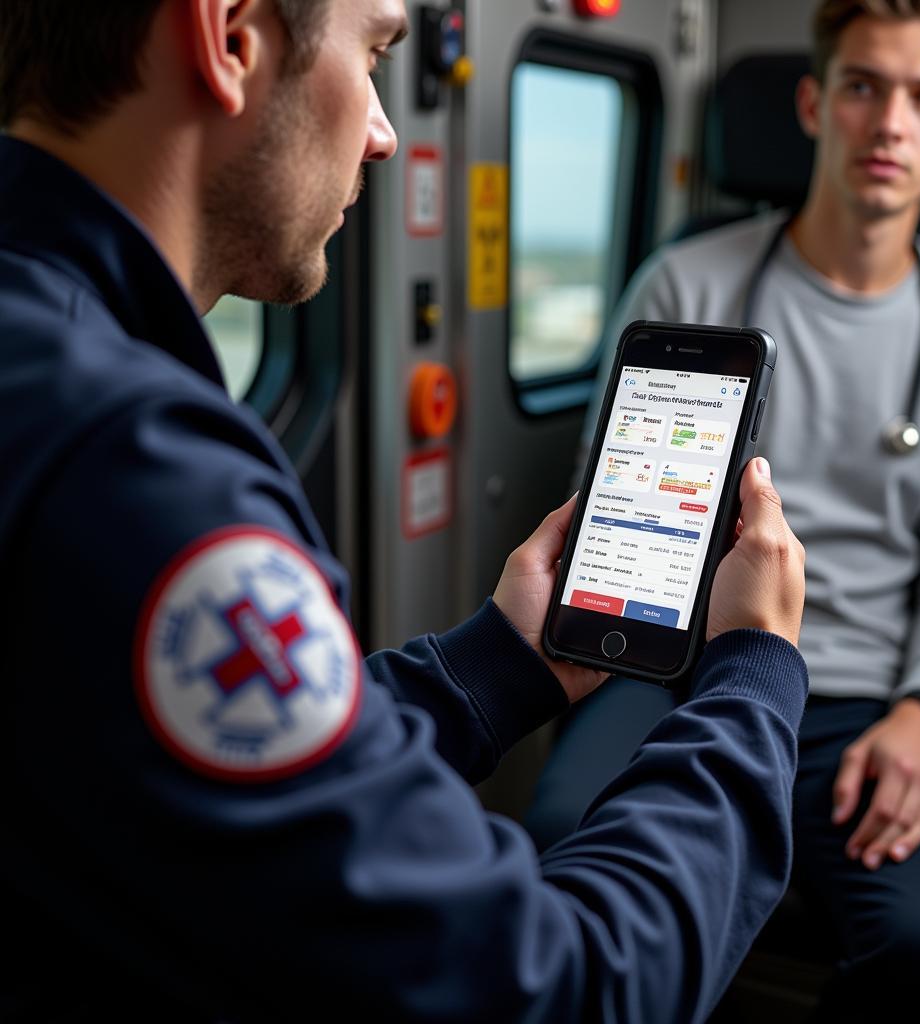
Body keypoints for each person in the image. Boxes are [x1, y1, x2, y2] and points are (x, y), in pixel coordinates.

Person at [0, 1, 810, 1021]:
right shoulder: (140, 471)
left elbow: (226, 788)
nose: (384, 132)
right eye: (375, 51)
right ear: (232, 36)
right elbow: (563, 992)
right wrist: (755, 671)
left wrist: (498, 664)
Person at [528, 1, 920, 1020]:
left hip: (863, 698)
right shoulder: (687, 281)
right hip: (676, 665)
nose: (889, 122)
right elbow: (606, 506)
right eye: (861, 86)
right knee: (558, 853)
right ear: (813, 103)